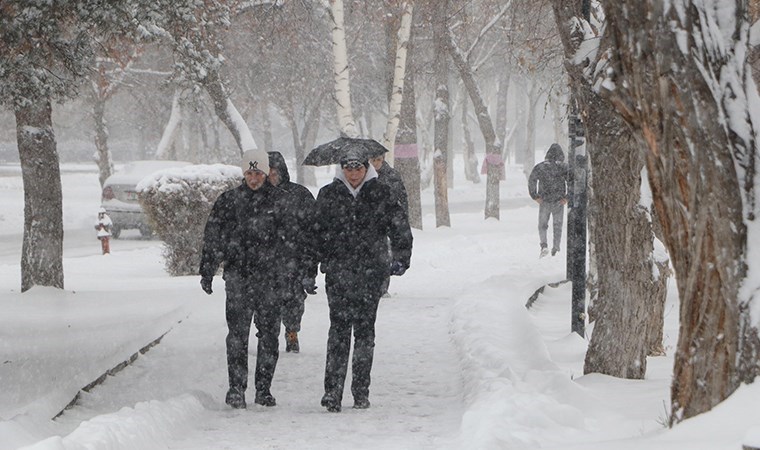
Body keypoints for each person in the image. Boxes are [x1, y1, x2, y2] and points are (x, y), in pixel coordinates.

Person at [315, 147, 413, 412]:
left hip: (371, 273)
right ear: (341, 169)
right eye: (348, 168)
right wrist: (312, 264)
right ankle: (332, 392)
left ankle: (360, 391)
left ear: (367, 168)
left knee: (365, 334)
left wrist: (402, 256)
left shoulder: (382, 193)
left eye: (358, 168)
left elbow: (400, 226)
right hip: (339, 273)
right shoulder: (328, 195)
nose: (353, 173)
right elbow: (314, 232)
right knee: (338, 332)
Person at [199, 148, 287, 409]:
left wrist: (295, 272)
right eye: (249, 173)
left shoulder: (279, 202)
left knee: (269, 334)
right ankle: (236, 388)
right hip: (238, 275)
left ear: (266, 173)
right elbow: (213, 237)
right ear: (243, 173)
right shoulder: (228, 201)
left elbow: (292, 240)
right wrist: (207, 269)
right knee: (237, 334)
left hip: (271, 278)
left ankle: (264, 389)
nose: (253, 178)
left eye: (258, 172)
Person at [267, 151, 318, 353]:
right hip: (266, 262)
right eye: (267, 170)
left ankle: (291, 332)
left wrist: (310, 269)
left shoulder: (300, 195)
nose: (270, 175)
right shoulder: (254, 197)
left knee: (294, 301)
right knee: (266, 304)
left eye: (274, 170)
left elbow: (313, 232)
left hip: (294, 260)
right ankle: (268, 335)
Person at [369, 153, 409, 297]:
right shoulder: (363, 177)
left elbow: (401, 198)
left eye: (378, 160)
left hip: (387, 221)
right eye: (372, 160)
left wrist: (401, 219)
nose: (375, 163)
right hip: (370, 222)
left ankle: (382, 286)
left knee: (384, 253)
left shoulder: (391, 176)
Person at [527, 143, 569, 258]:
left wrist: (535, 196)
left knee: (542, 225)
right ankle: (556, 246)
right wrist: (567, 197)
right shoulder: (563, 167)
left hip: (544, 200)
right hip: (559, 200)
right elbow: (573, 181)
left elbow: (532, 180)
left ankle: (544, 245)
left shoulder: (540, 167)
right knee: (558, 225)